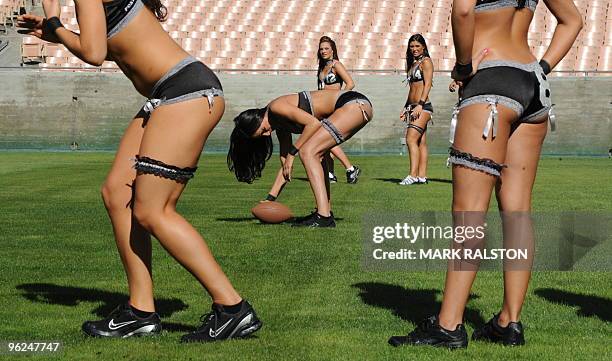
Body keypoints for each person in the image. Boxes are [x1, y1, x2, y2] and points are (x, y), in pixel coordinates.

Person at [18, 0, 262, 342]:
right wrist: (58, 30)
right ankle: (140, 312)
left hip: (185, 91)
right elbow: (101, 46)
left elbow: (92, 52)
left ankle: (233, 309)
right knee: (117, 193)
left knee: (153, 211)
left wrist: (56, 26)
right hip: (169, 92)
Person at [389, 0, 582, 349]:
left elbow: (462, 11)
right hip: (532, 84)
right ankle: (510, 321)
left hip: (490, 81)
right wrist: (541, 67)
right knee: (518, 211)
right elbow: (572, 21)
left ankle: (448, 325)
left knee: (469, 213)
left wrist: (463, 67)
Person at [227, 89, 373, 227]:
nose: (267, 134)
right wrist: (270, 199)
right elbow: (285, 168)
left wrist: (292, 154)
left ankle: (324, 217)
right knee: (316, 154)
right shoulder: (280, 126)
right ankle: (325, 212)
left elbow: (313, 123)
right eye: (263, 135)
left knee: (308, 152)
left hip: (354, 104)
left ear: (257, 119)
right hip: (355, 107)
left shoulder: (276, 107)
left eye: (263, 130)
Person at [317, 36, 361, 184]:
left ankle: (350, 168)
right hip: (322, 107)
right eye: (321, 49)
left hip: (332, 106)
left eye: (326, 48)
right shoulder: (322, 66)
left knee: (328, 140)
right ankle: (330, 174)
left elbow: (350, 83)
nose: (323, 51)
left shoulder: (336, 65)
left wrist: (339, 99)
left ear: (333, 50)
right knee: (327, 142)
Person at [398, 34, 434, 185]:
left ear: (423, 47)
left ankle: (412, 175)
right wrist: (406, 107)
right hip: (413, 106)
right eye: (412, 46)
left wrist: (420, 104)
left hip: (423, 106)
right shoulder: (413, 64)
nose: (414, 49)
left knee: (410, 139)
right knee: (421, 142)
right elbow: (412, 88)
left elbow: (427, 85)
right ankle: (421, 176)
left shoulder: (426, 62)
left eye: (417, 46)